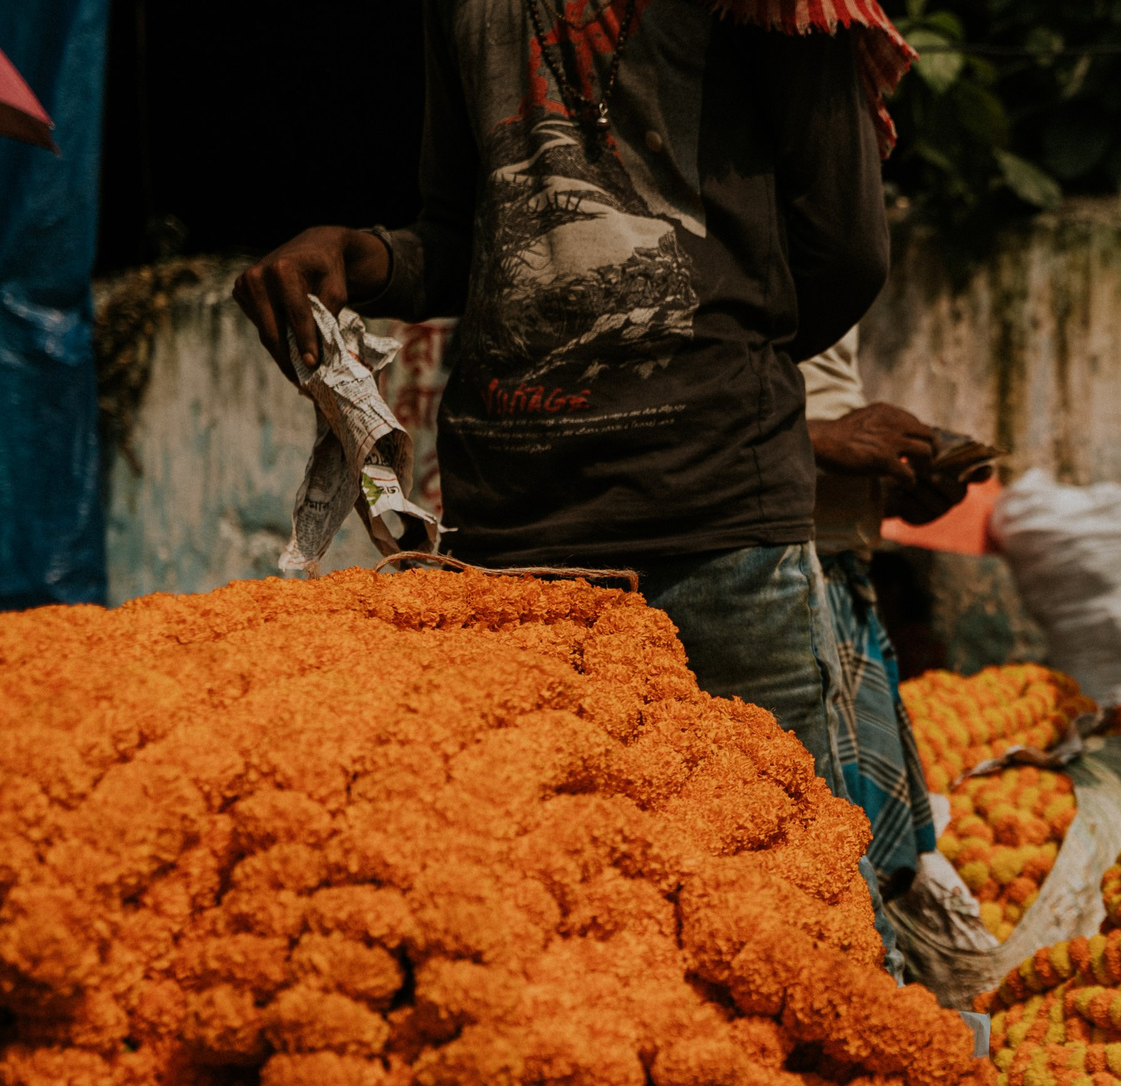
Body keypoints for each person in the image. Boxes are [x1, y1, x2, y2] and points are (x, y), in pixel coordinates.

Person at [231, 0, 909, 796]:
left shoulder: (784, 9)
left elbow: (845, 251)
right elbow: (466, 237)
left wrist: (704, 378)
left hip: (716, 536)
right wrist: (365, 255)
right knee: (563, 887)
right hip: (511, 543)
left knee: (786, 876)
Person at [799, 328, 986, 906]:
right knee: (818, 871)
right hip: (759, 571)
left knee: (870, 876)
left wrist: (885, 488)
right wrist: (815, 440)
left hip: (837, 571)